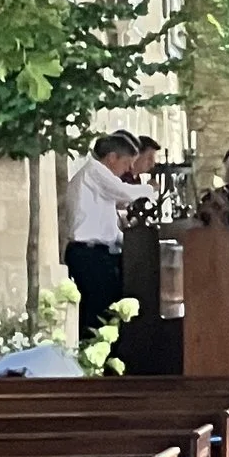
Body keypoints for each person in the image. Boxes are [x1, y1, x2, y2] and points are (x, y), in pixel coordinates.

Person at [63, 132, 157, 349]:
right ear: (112, 157)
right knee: (97, 313)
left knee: (106, 311)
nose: (128, 170)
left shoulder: (98, 177)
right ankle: (95, 358)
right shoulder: (95, 171)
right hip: (89, 254)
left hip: (99, 252)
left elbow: (106, 224)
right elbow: (124, 192)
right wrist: (150, 189)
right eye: (126, 163)